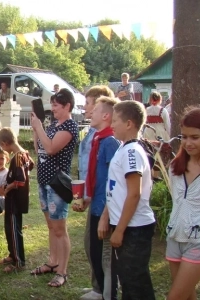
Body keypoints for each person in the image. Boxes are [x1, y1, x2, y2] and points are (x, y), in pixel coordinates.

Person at [99, 100, 156, 299]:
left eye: (115, 120)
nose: (111, 124)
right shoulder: (123, 148)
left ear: (129, 124)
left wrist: (120, 230)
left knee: (135, 282)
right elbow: (116, 189)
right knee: (129, 279)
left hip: (134, 228)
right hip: (126, 225)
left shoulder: (132, 152)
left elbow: (134, 193)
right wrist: (107, 217)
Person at [30, 88, 78, 287]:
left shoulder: (69, 127)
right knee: (51, 226)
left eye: (56, 106)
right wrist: (36, 130)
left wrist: (39, 127)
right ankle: (52, 261)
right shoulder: (52, 125)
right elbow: (39, 148)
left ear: (67, 106)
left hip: (57, 184)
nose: (53, 109)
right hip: (44, 180)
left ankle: (62, 271)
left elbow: (50, 149)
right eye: (52, 105)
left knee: (60, 228)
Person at [77, 85, 115, 300]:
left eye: (93, 107)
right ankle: (100, 287)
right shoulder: (99, 138)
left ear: (106, 115)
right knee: (94, 248)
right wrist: (87, 196)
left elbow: (113, 180)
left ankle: (104, 291)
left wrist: (106, 212)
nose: (87, 111)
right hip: (96, 201)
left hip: (104, 206)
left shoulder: (109, 141)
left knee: (104, 253)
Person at [166, 107, 200, 300]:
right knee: (187, 296)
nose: (188, 143)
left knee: (175, 297)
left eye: (195, 137)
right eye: (184, 137)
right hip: (174, 236)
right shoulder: (175, 167)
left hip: (197, 241)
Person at [0, 127, 34, 273]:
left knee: (13, 230)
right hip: (16, 200)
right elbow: (31, 165)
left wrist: (8, 187)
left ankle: (19, 261)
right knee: (9, 228)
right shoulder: (24, 153)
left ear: (5, 143)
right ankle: (13, 255)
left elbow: (21, 180)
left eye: (1, 145)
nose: (2, 148)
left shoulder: (17, 157)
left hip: (15, 201)